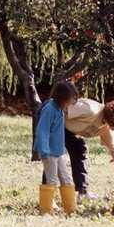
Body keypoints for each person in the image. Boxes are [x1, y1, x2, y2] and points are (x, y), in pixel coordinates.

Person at [33, 81, 79, 214]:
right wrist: (44, 151)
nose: (70, 104)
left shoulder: (59, 110)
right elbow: (42, 131)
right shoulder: (49, 109)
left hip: (58, 152)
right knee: (51, 179)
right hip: (49, 152)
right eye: (69, 101)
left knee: (66, 178)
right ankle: (46, 210)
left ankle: (70, 209)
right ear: (61, 98)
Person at [63, 99, 114, 203]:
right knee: (54, 157)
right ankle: (47, 195)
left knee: (80, 149)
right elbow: (61, 107)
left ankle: (83, 193)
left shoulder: (107, 129)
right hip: (55, 121)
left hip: (70, 130)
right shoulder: (90, 109)